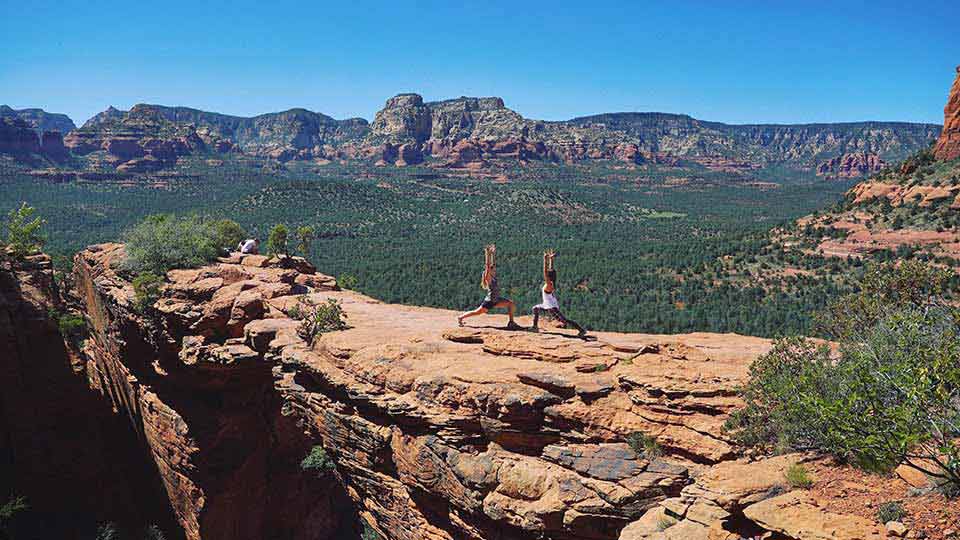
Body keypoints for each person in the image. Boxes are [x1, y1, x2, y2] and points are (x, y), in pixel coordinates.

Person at [458, 244, 520, 329]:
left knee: (510, 304)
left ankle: (511, 322)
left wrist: (493, 253)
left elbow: (493, 264)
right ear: (489, 271)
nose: (494, 269)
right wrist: (487, 253)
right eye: (492, 269)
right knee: (477, 312)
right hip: (490, 301)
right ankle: (460, 317)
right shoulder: (488, 278)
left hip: (496, 299)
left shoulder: (493, 276)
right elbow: (487, 265)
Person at [532, 249, 587, 337]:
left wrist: (545, 259)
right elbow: (551, 271)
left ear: (548, 277)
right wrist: (551, 259)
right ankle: (534, 327)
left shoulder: (549, 284)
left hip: (551, 307)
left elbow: (545, 272)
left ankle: (581, 330)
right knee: (535, 308)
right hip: (547, 305)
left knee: (564, 320)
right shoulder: (552, 282)